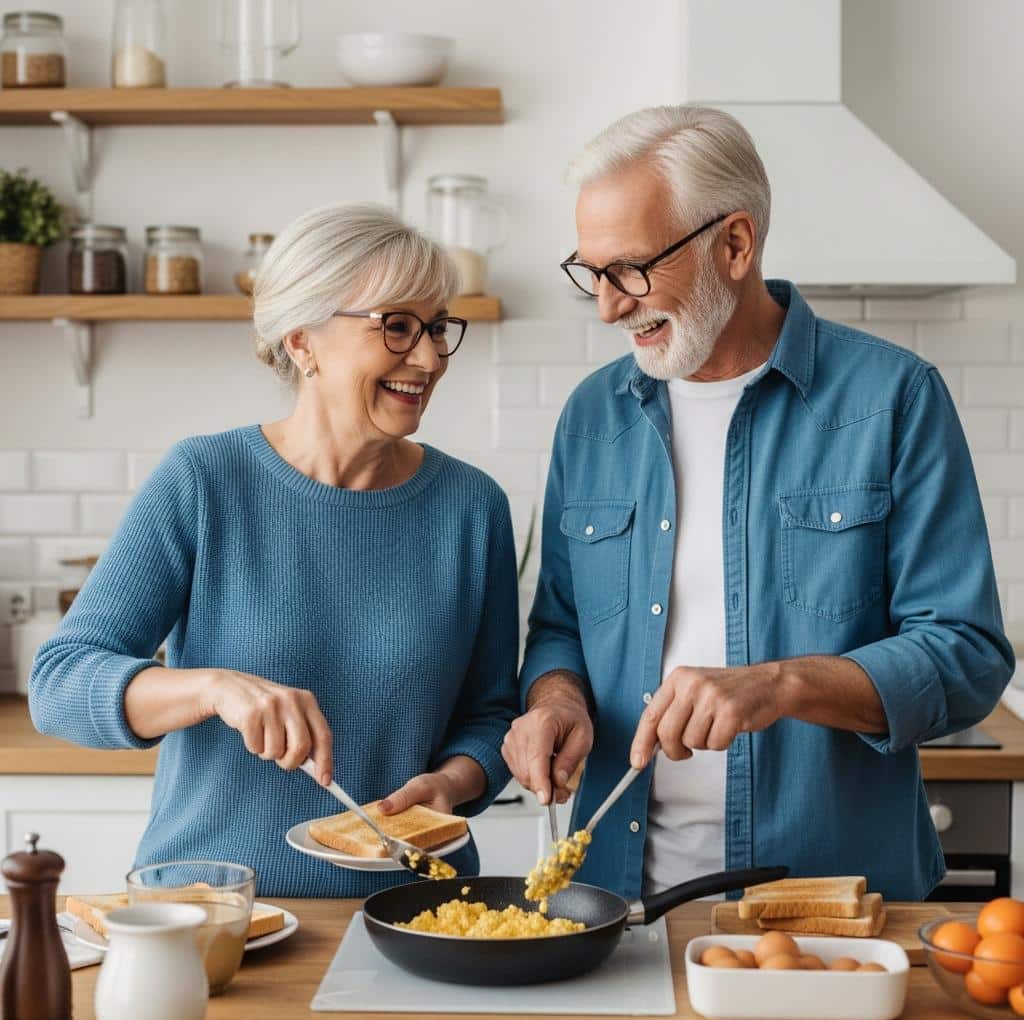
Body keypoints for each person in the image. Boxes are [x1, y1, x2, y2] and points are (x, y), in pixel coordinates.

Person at [502, 105, 1014, 899]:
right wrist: (556, 700)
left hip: (829, 905)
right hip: (611, 903)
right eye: (591, 273)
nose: (607, 306)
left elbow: (966, 656)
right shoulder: (593, 417)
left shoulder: (894, 398)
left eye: (631, 270)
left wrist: (779, 685)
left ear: (735, 244)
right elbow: (562, 627)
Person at [30, 203, 519, 897]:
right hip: (213, 908)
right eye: (398, 326)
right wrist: (212, 689)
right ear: (302, 341)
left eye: (438, 328)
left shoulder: (472, 508)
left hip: (412, 912)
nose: (430, 357)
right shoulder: (203, 480)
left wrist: (451, 784)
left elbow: (491, 715)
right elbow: (58, 685)